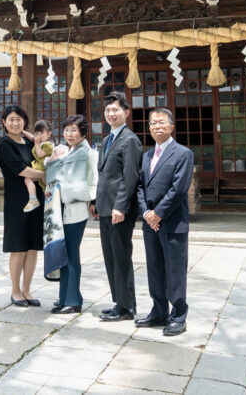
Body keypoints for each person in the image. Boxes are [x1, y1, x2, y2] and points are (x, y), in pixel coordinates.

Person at [135, 107, 194, 337]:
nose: (157, 126)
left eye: (161, 122)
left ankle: (178, 315)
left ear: (171, 126)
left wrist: (158, 213)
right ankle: (159, 311)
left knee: (175, 271)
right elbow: (139, 187)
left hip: (172, 222)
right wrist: (147, 213)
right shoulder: (147, 156)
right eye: (152, 123)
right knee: (155, 269)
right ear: (148, 128)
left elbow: (178, 189)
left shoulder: (183, 153)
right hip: (151, 223)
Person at [93, 91, 142, 322]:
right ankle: (118, 302)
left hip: (119, 210)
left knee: (121, 256)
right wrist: (95, 201)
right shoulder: (107, 139)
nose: (111, 114)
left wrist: (120, 207)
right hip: (104, 207)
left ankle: (126, 307)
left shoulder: (130, 140)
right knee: (110, 257)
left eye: (116, 110)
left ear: (126, 113)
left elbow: (129, 177)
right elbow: (104, 175)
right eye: (108, 110)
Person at [43, 114, 97, 314]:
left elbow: (90, 182)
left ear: (83, 132)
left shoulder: (85, 153)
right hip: (62, 209)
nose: (69, 134)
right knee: (65, 253)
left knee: (72, 255)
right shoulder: (69, 152)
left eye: (74, 130)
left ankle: (73, 300)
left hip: (74, 209)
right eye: (66, 130)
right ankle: (65, 296)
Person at [0, 105, 44, 307]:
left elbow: (39, 143)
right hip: (17, 201)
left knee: (32, 247)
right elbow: (20, 169)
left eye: (19, 119)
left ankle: (27, 289)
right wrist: (45, 175)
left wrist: (29, 135)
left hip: (37, 198)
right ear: (4, 123)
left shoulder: (28, 142)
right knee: (18, 247)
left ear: (25, 122)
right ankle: (15, 291)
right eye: (11, 119)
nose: (15, 123)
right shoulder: (4, 143)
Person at [24, 120, 54, 213]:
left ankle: (34, 200)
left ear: (49, 134)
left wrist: (36, 144)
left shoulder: (48, 145)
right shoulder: (40, 141)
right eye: (36, 133)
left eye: (41, 132)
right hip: (40, 169)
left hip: (44, 169)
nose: (38, 135)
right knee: (28, 179)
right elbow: (31, 137)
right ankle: (33, 199)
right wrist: (22, 131)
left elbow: (40, 154)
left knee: (47, 188)